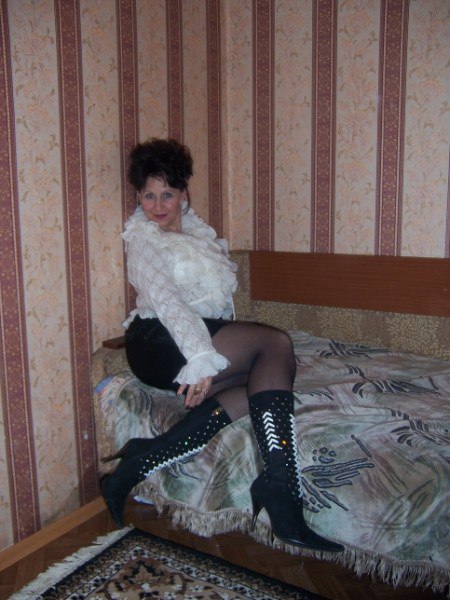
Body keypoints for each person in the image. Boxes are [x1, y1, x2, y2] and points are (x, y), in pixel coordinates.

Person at [101, 138, 343, 553]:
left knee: (261, 382)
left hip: (196, 334)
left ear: (183, 193)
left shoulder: (199, 235)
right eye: (148, 195)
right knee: (275, 344)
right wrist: (202, 359)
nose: (157, 205)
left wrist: (220, 354)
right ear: (138, 196)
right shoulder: (142, 239)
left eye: (167, 194)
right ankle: (280, 488)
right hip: (158, 340)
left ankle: (138, 463)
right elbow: (169, 304)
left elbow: (217, 307)